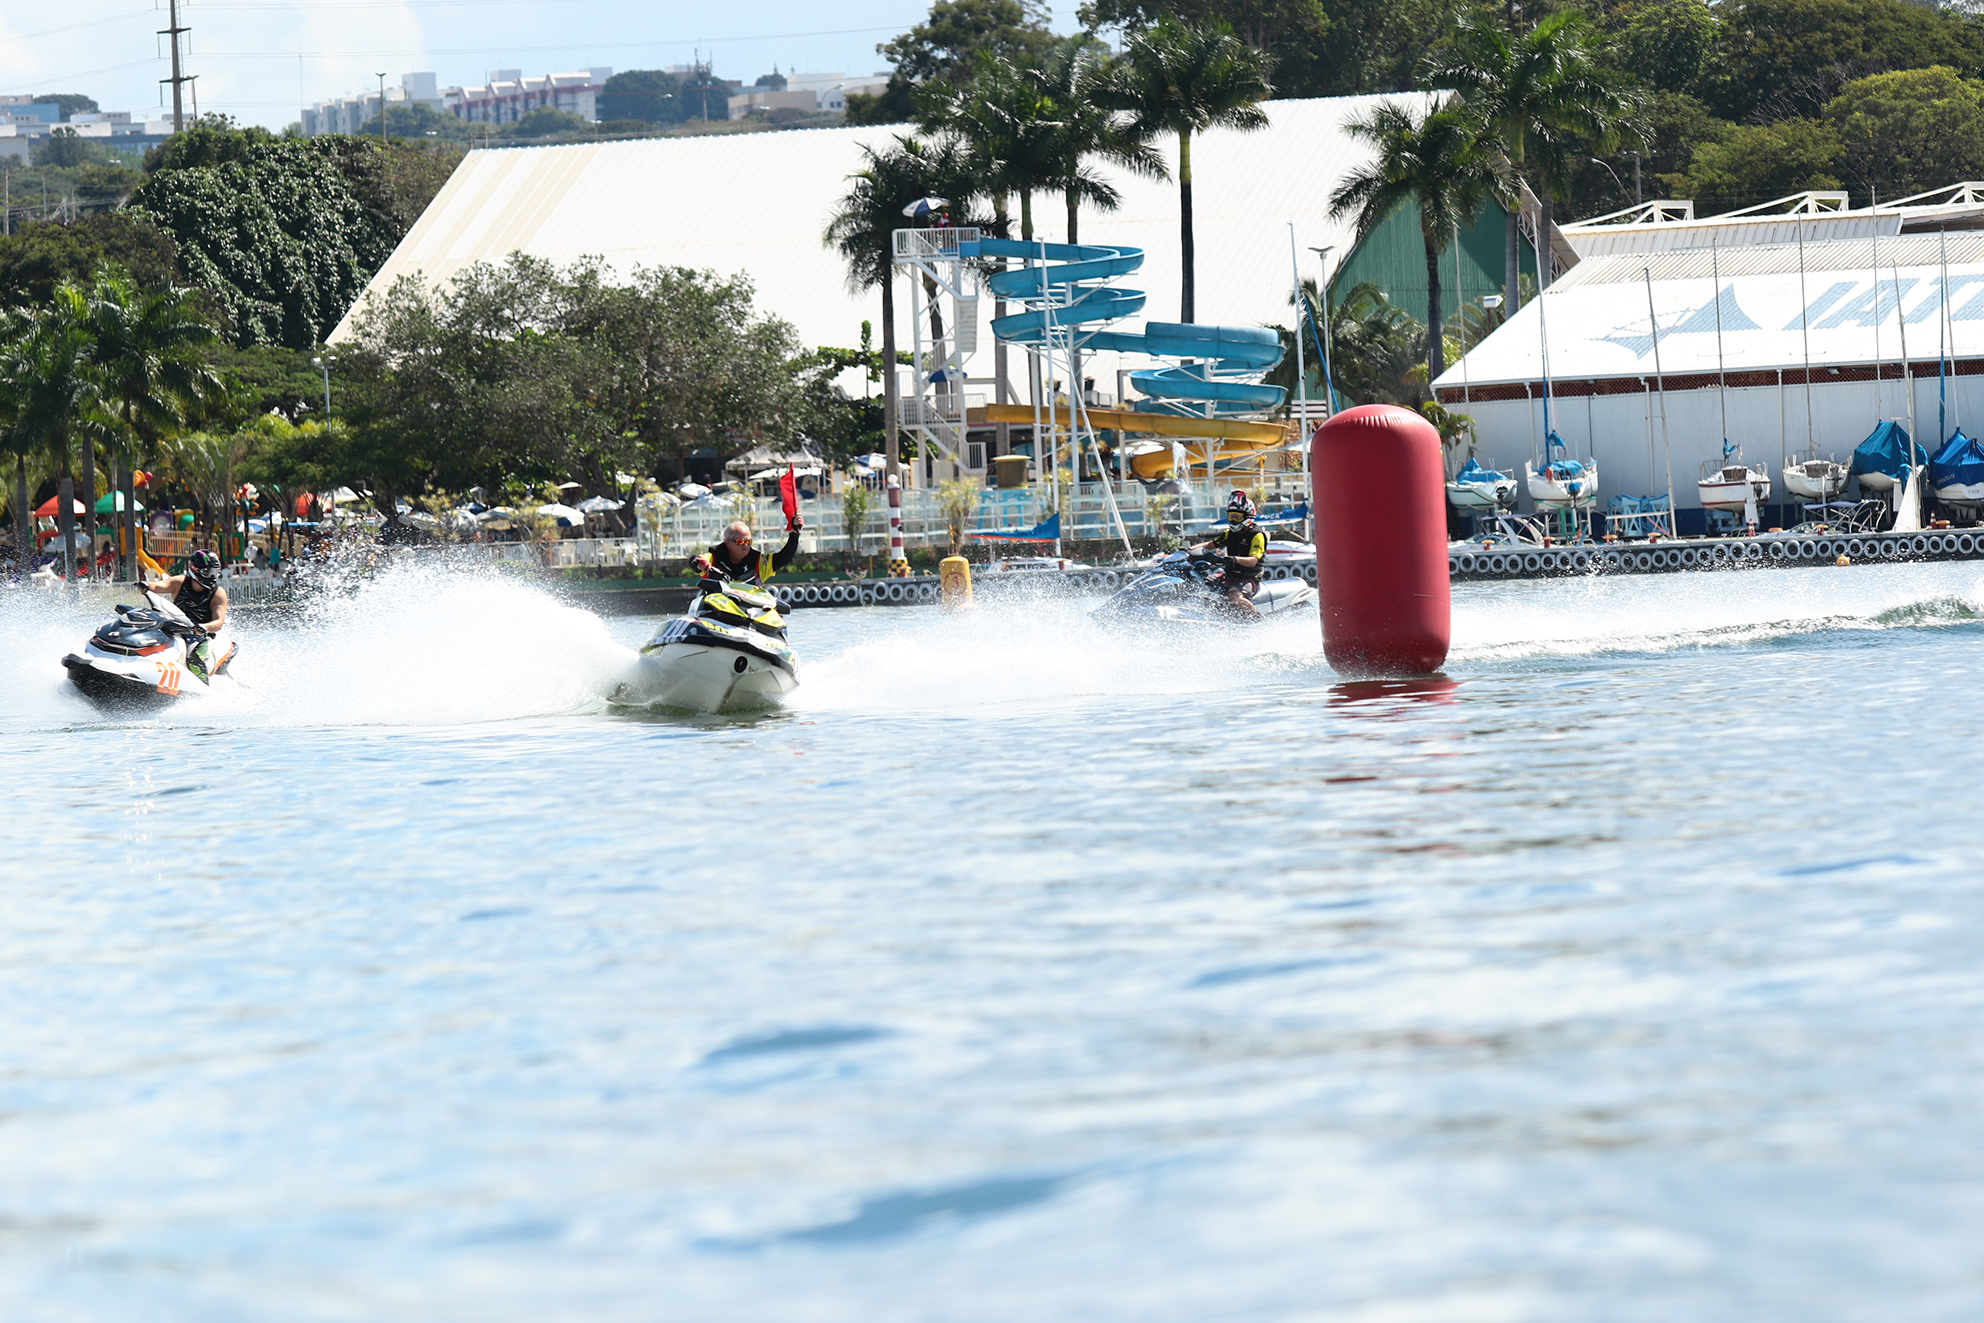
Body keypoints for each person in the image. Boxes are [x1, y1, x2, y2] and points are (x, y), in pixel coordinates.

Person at [144, 548, 229, 680]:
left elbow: (219, 622)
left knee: (195, 659)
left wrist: (204, 627)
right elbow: (159, 586)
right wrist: (146, 585)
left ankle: (203, 690)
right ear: (195, 570)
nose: (213, 576)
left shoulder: (218, 593)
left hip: (202, 637)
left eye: (215, 572)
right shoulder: (179, 582)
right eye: (209, 572)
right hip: (174, 629)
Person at [1191, 490, 1267, 618]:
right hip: (1230, 575)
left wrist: (1233, 559)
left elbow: (1253, 560)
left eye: (1237, 517)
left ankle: (1258, 620)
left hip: (1248, 578)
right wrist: (1188, 550)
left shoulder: (1256, 535)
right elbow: (1210, 544)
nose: (1233, 521)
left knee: (1234, 595)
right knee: (1202, 585)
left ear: (1248, 517)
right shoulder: (1229, 534)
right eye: (1231, 517)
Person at [692, 514, 804, 587]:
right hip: (717, 609)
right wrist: (699, 563)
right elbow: (695, 560)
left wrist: (795, 533)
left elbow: (785, 557)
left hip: (746, 612)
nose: (745, 545)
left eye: (748, 542)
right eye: (740, 542)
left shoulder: (759, 562)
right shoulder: (713, 557)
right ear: (728, 543)